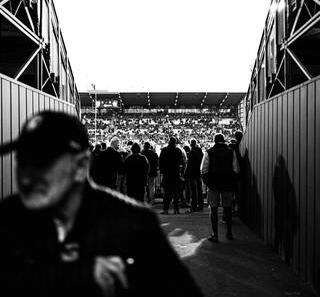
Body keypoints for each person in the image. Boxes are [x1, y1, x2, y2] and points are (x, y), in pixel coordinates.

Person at [0, 111, 204, 297]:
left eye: (42, 163)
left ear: (80, 165)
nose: (26, 176)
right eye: (22, 160)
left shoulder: (133, 222)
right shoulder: (9, 218)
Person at [201, 133, 239, 243]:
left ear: (214, 140)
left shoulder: (209, 152)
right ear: (223, 140)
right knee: (227, 208)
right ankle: (229, 233)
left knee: (213, 209)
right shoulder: (231, 152)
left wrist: (208, 183)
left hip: (213, 185)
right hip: (227, 184)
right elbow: (236, 169)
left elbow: (204, 169)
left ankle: (215, 235)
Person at [159, 136, 184, 214]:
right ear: (175, 142)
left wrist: (162, 171)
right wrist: (181, 172)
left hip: (167, 174)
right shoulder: (178, 150)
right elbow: (181, 162)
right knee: (175, 192)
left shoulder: (164, 150)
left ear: (169, 141)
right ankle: (176, 209)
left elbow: (160, 162)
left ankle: (165, 209)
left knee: (166, 193)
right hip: (175, 173)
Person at [186, 139, 204, 213]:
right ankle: (201, 205)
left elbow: (189, 164)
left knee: (193, 190)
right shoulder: (200, 152)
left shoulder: (192, 152)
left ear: (191, 144)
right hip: (198, 172)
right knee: (200, 189)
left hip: (192, 173)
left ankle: (194, 206)